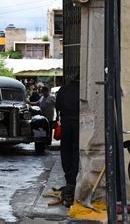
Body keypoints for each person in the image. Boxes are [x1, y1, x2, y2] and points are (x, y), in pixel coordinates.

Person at [55, 75, 80, 206]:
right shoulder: (83, 90)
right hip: (78, 123)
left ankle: (68, 176)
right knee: (76, 150)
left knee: (65, 150)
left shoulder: (63, 90)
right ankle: (73, 180)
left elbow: (57, 107)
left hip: (66, 122)